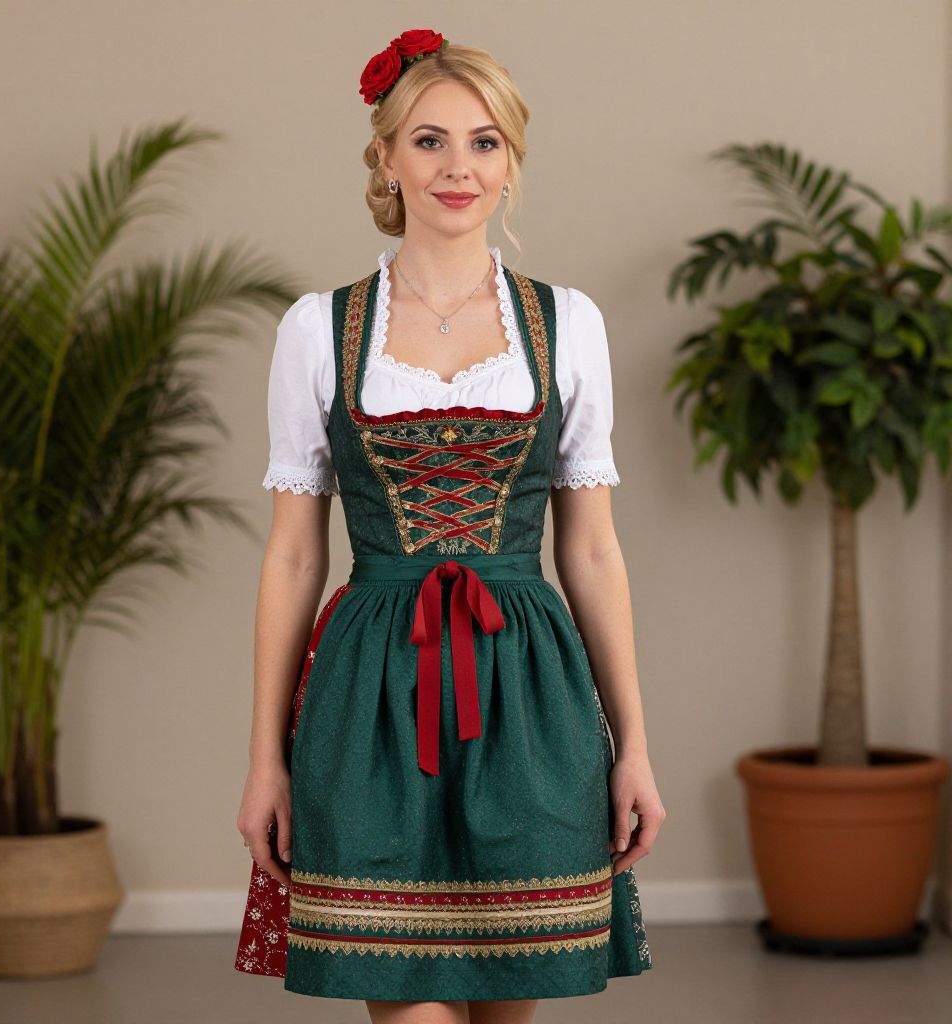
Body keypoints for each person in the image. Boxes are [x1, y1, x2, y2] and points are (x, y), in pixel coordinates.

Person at [235, 28, 665, 1024]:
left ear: (511, 162)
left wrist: (633, 742)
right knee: (405, 1002)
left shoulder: (568, 322)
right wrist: (265, 758)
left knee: (514, 1002)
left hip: (530, 690)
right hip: (368, 694)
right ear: (384, 157)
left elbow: (590, 548)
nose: (456, 167)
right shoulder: (318, 326)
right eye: (428, 141)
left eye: (483, 142)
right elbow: (293, 554)